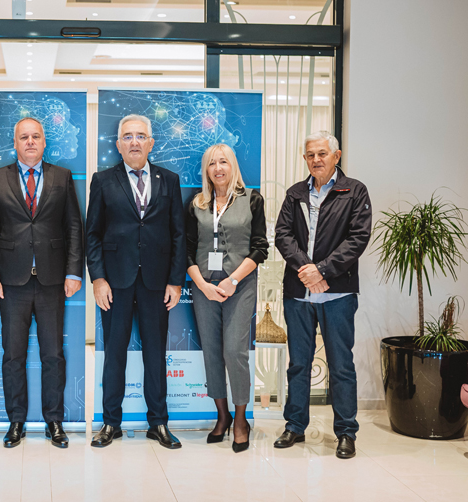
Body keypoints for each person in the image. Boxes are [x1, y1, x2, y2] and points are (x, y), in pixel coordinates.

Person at [0, 117, 84, 449]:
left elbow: (73, 227)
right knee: (13, 355)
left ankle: (54, 420)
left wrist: (73, 272)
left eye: (35, 136)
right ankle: (16, 421)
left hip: (53, 280)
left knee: (53, 354)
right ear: (15, 143)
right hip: (11, 282)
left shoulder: (61, 176)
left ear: (43, 142)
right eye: (23, 137)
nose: (29, 142)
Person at [86, 114, 186, 449]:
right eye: (127, 136)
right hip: (115, 283)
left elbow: (178, 234)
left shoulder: (169, 180)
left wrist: (175, 281)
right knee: (114, 353)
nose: (134, 142)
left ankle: (158, 423)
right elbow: (92, 234)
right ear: (118, 144)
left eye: (140, 136)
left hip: (157, 282)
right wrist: (98, 279)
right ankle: (110, 423)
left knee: (155, 354)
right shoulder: (103, 180)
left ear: (151, 143)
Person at [273, 131, 371, 459]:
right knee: (298, 364)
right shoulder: (296, 193)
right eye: (310, 155)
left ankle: (346, 432)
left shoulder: (354, 191)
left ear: (336, 156)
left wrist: (323, 271)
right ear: (305, 159)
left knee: (341, 365)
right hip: (298, 293)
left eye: (322, 154)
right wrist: (307, 269)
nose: (316, 160)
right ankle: (294, 426)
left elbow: (358, 238)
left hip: (337, 294)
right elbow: (283, 235)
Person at [186, 143, 268, 453]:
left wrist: (233, 280)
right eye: (212, 163)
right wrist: (203, 285)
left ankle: (241, 419)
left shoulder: (253, 200)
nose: (218, 168)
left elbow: (260, 248)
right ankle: (222, 415)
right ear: (206, 170)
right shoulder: (196, 204)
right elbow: (186, 250)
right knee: (212, 351)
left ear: (233, 166)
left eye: (223, 162)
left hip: (241, 285)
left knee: (235, 351)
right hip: (204, 286)